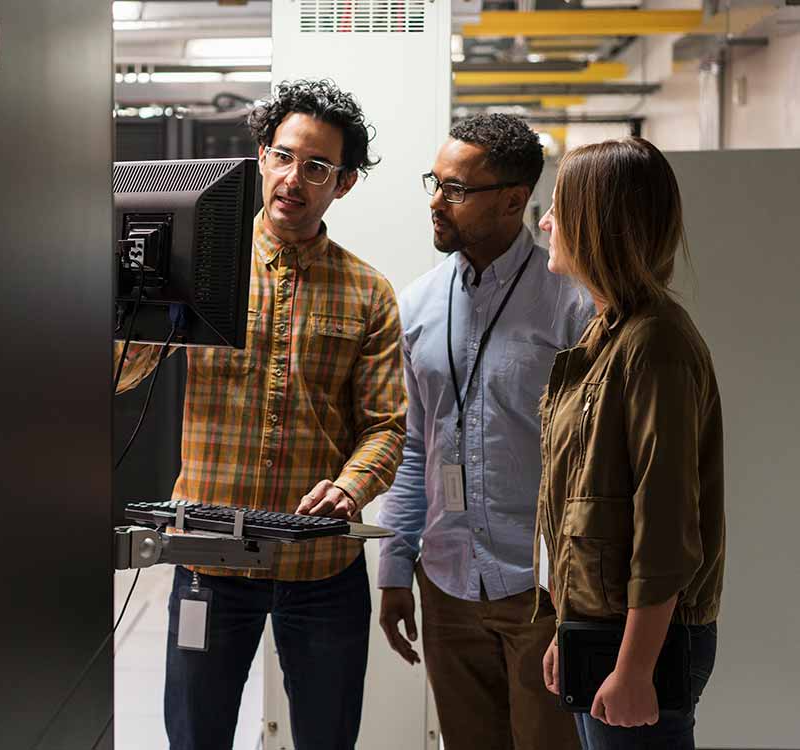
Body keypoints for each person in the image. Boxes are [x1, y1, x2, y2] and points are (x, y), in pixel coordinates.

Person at [116, 79, 407, 750]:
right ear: (260, 158)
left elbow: (386, 425)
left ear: (345, 183)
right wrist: (135, 297)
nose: (292, 179)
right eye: (282, 157)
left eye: (316, 167)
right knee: (195, 738)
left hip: (320, 571)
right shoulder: (199, 266)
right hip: (207, 561)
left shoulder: (368, 292)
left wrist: (351, 486)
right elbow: (120, 377)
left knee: (326, 739)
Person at [377, 113, 590, 750]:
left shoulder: (572, 304)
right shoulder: (415, 306)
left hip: (544, 592)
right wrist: (394, 567)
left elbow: (590, 460)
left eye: (457, 190)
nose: (436, 203)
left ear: (513, 202)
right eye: (434, 184)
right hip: (446, 585)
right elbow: (417, 447)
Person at [537, 136, 724, 749]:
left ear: (598, 224)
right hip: (603, 630)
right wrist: (569, 629)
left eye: (559, 209)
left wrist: (634, 668)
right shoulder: (609, 333)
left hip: (642, 641)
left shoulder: (653, 344)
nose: (545, 223)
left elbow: (666, 524)